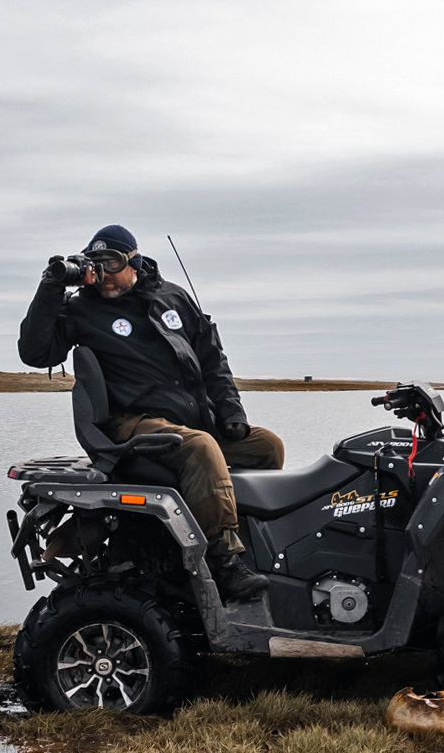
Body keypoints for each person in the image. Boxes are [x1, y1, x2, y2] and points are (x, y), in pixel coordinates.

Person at [18, 225, 284, 602]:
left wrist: (231, 412)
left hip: (192, 420)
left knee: (266, 446)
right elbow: (35, 352)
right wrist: (51, 287)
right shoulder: (80, 308)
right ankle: (225, 563)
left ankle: (252, 545)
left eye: (111, 262)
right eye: (94, 264)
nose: (103, 273)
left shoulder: (173, 297)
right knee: (201, 449)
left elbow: (213, 361)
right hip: (131, 423)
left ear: (134, 262)